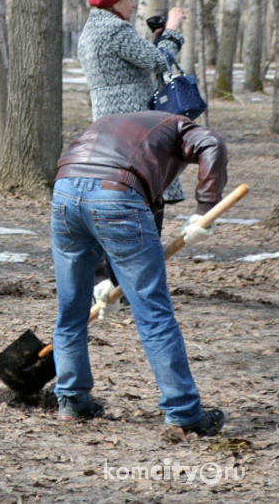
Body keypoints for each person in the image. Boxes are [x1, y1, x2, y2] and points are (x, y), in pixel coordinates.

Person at [50, 110, 227, 437]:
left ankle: (72, 399)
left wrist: (102, 278)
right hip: (117, 192)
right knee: (153, 311)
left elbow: (87, 195)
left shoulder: (118, 124)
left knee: (71, 307)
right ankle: (184, 411)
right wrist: (205, 209)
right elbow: (212, 144)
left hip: (64, 190)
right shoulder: (179, 127)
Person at [79, 0, 187, 204]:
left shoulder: (93, 28)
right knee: (147, 189)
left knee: (126, 185)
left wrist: (156, 42)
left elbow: (134, 61)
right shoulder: (116, 29)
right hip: (134, 120)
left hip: (110, 120)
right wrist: (173, 31)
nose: (134, 3)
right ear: (115, 1)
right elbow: (160, 61)